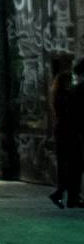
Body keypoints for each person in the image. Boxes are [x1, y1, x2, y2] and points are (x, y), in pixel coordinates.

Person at [50, 59, 83, 208]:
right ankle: (65, 194)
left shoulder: (59, 94)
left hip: (63, 133)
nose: (73, 83)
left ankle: (66, 195)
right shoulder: (67, 95)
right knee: (74, 165)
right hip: (69, 134)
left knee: (68, 165)